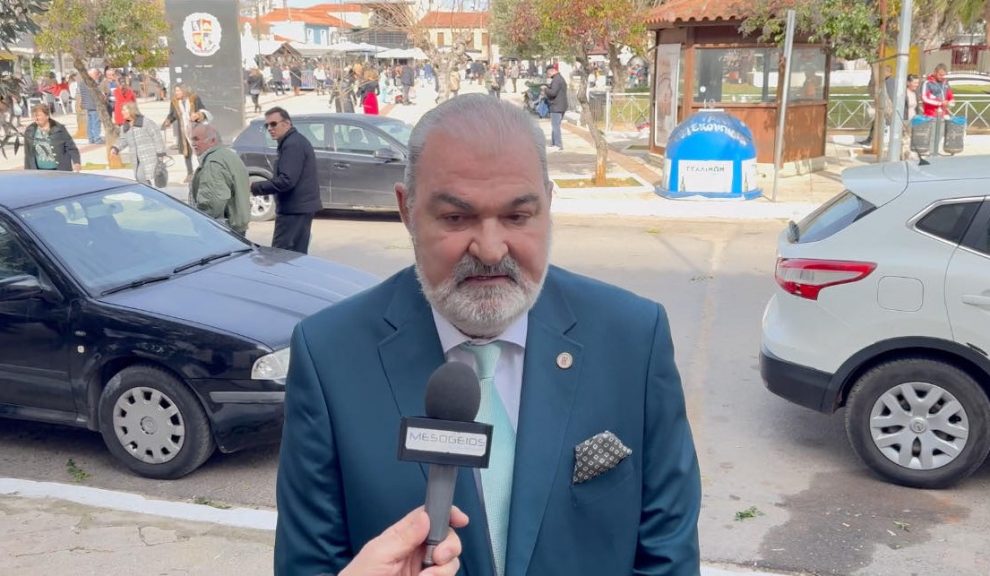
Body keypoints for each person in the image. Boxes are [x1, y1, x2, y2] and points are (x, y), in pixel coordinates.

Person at [273, 94, 701, 576]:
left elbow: (668, 553)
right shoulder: (330, 356)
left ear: (548, 206)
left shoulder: (633, 338)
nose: (492, 250)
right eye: (457, 218)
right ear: (407, 210)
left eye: (517, 217)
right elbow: (307, 564)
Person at [250, 107, 321, 254]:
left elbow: (286, 181)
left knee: (280, 256)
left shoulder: (292, 144)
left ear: (287, 123)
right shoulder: (292, 142)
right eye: (267, 125)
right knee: (295, 255)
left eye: (273, 124)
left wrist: (255, 187)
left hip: (294, 210)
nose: (270, 128)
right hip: (298, 208)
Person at [189, 124, 251, 236]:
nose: (193, 143)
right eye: (192, 139)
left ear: (212, 141)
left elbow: (212, 204)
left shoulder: (213, 163)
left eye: (197, 139)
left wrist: (200, 222)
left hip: (222, 230)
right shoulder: (228, 155)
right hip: (236, 226)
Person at [110, 102, 166, 185]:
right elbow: (123, 139)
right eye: (122, 110)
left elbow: (157, 137)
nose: (122, 112)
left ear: (132, 110)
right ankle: (149, 191)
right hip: (136, 158)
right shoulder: (125, 126)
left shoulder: (146, 122)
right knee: (139, 178)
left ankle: (149, 191)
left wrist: (160, 153)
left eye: (124, 110)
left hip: (149, 156)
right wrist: (116, 148)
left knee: (141, 176)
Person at [162, 84, 207, 184]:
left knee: (200, 152)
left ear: (184, 91)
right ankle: (190, 174)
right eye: (175, 91)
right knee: (187, 154)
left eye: (178, 91)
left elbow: (203, 110)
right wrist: (168, 121)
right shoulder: (175, 102)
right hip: (184, 131)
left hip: (196, 130)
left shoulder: (194, 99)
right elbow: (172, 115)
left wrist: (198, 115)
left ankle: (205, 172)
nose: (176, 93)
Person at [23, 103, 80, 172]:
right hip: (38, 172)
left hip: (59, 170)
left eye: (38, 115)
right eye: (34, 116)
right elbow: (28, 154)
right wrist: (27, 171)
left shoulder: (58, 128)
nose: (36, 118)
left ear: (47, 116)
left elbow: (70, 146)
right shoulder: (30, 130)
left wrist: (76, 162)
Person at [545, 65, 568, 151]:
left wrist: (545, 89)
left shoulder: (556, 80)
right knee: (555, 125)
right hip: (560, 106)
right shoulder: (559, 78)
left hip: (556, 106)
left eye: (548, 74)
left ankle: (558, 144)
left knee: (555, 126)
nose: (548, 76)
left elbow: (553, 93)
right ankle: (554, 143)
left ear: (551, 71)